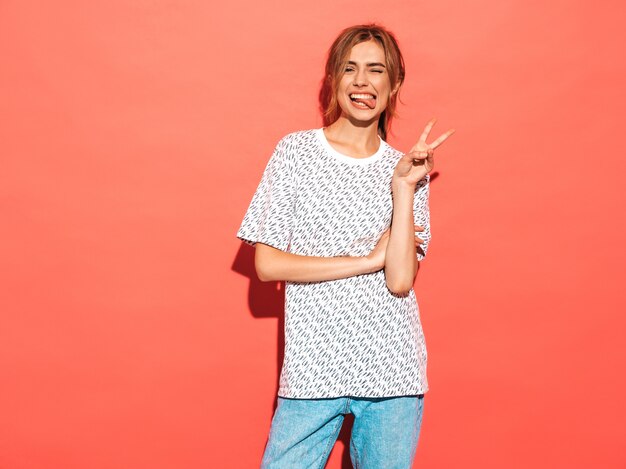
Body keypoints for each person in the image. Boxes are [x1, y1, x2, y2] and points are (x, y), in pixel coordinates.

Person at [237, 24, 454, 469]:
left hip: (392, 370)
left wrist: (403, 187)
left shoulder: (405, 168)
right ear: (333, 80)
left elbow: (399, 281)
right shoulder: (295, 152)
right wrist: (365, 259)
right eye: (350, 69)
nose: (362, 82)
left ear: (393, 86)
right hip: (312, 371)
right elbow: (267, 264)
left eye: (376, 71)